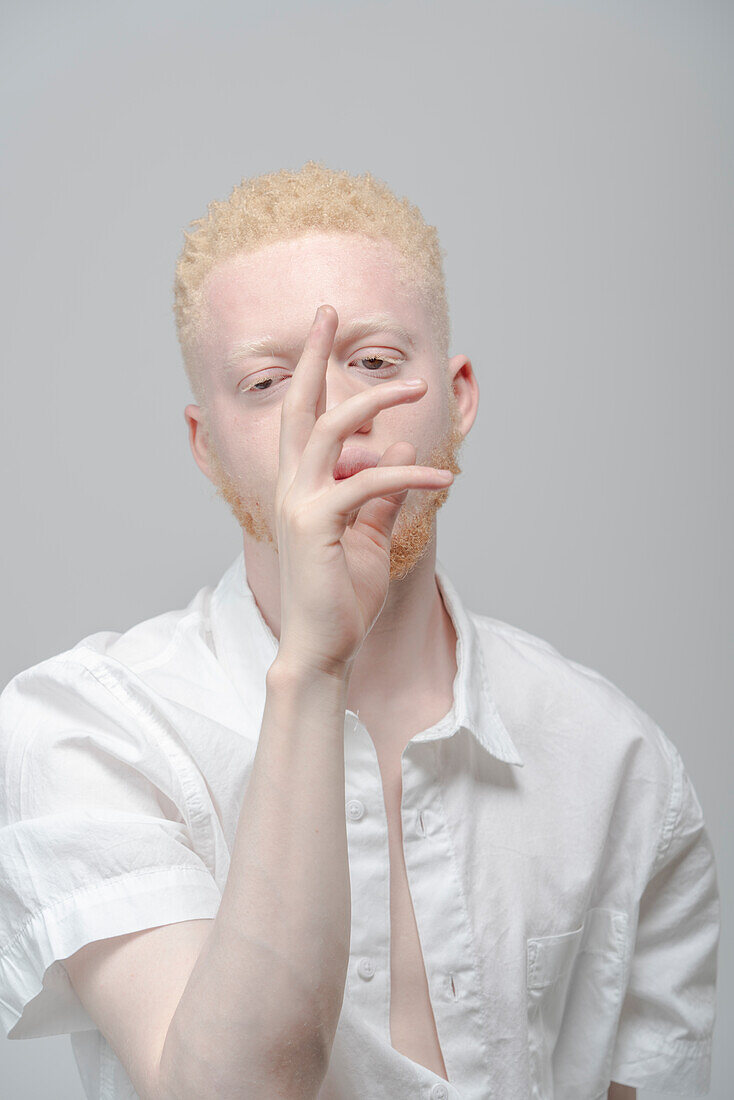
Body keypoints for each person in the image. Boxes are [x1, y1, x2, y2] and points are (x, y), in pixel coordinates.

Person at [0, 161, 720, 1100]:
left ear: (456, 398)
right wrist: (312, 664)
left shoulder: (617, 759)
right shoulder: (88, 730)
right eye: (267, 383)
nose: (331, 420)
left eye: (375, 364)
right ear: (205, 446)